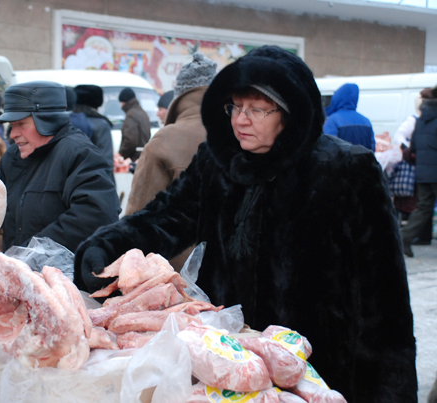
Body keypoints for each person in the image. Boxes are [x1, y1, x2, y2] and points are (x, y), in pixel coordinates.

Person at [75, 46, 416, 403]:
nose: (240, 119)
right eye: (235, 106)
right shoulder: (218, 160)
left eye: (256, 109)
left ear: (290, 113)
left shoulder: (346, 170)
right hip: (229, 362)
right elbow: (167, 215)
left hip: (315, 370)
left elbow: (385, 298)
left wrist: (389, 389)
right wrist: (107, 246)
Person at [0, 81, 120, 253]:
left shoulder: (80, 155)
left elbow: (96, 215)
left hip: (65, 277)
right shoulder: (14, 157)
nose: (13, 134)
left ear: (47, 120)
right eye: (12, 126)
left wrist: (33, 253)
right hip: (21, 274)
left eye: (21, 124)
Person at [125, 52, 216, 269]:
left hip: (178, 280)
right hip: (234, 279)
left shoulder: (166, 140)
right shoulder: (244, 134)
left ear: (180, 96)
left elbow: (137, 218)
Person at [401, 85, 437, 258]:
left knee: (423, 207)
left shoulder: (421, 120)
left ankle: (404, 237)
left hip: (422, 172)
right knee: (424, 207)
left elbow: (413, 146)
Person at [74, 84, 114, 175]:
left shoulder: (66, 121)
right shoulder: (101, 125)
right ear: (97, 105)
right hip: (91, 181)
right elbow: (106, 162)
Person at [323, 83, 375, 151]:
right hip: (363, 161)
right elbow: (372, 148)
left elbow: (329, 148)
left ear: (337, 97)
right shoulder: (366, 121)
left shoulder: (332, 120)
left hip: (342, 161)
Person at [118, 87, 150, 161]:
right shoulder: (143, 113)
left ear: (124, 101)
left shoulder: (131, 114)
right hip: (142, 156)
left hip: (133, 158)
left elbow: (130, 140)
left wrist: (122, 155)